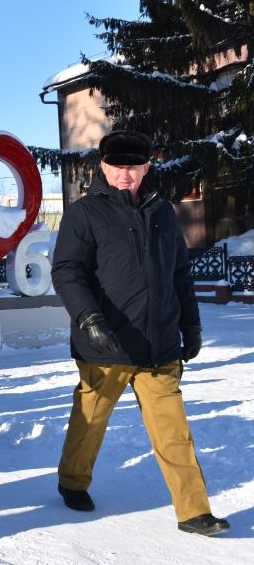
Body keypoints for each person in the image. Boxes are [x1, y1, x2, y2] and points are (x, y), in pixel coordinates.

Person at [51, 129, 230, 537]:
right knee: (89, 422)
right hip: (105, 342)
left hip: (159, 343)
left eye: (133, 167)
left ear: (147, 167)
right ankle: (73, 481)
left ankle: (193, 510)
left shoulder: (163, 211)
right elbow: (67, 271)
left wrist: (192, 324)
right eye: (117, 167)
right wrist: (88, 319)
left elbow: (179, 274)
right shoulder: (84, 213)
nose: (125, 174)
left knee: (174, 430)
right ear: (103, 166)